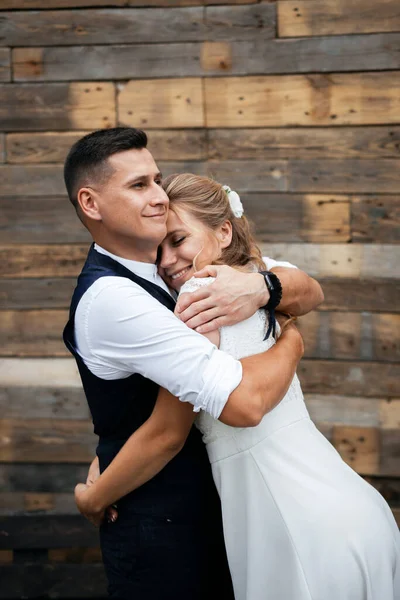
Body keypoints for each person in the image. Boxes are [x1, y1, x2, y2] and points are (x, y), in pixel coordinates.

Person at [75, 172, 400, 600]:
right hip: (346, 505)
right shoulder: (261, 274)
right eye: (159, 249)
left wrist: (95, 497)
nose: (166, 260)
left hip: (284, 515)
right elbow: (309, 288)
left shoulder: (197, 299)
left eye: (178, 241)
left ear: (224, 231)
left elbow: (170, 430)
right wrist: (291, 336)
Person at [62, 127, 323, 599]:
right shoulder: (115, 297)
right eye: (139, 185)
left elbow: (309, 288)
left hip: (217, 514)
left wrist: (266, 288)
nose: (159, 196)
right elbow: (183, 424)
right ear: (91, 203)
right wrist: (293, 343)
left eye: (157, 180)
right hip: (162, 536)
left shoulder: (177, 277)